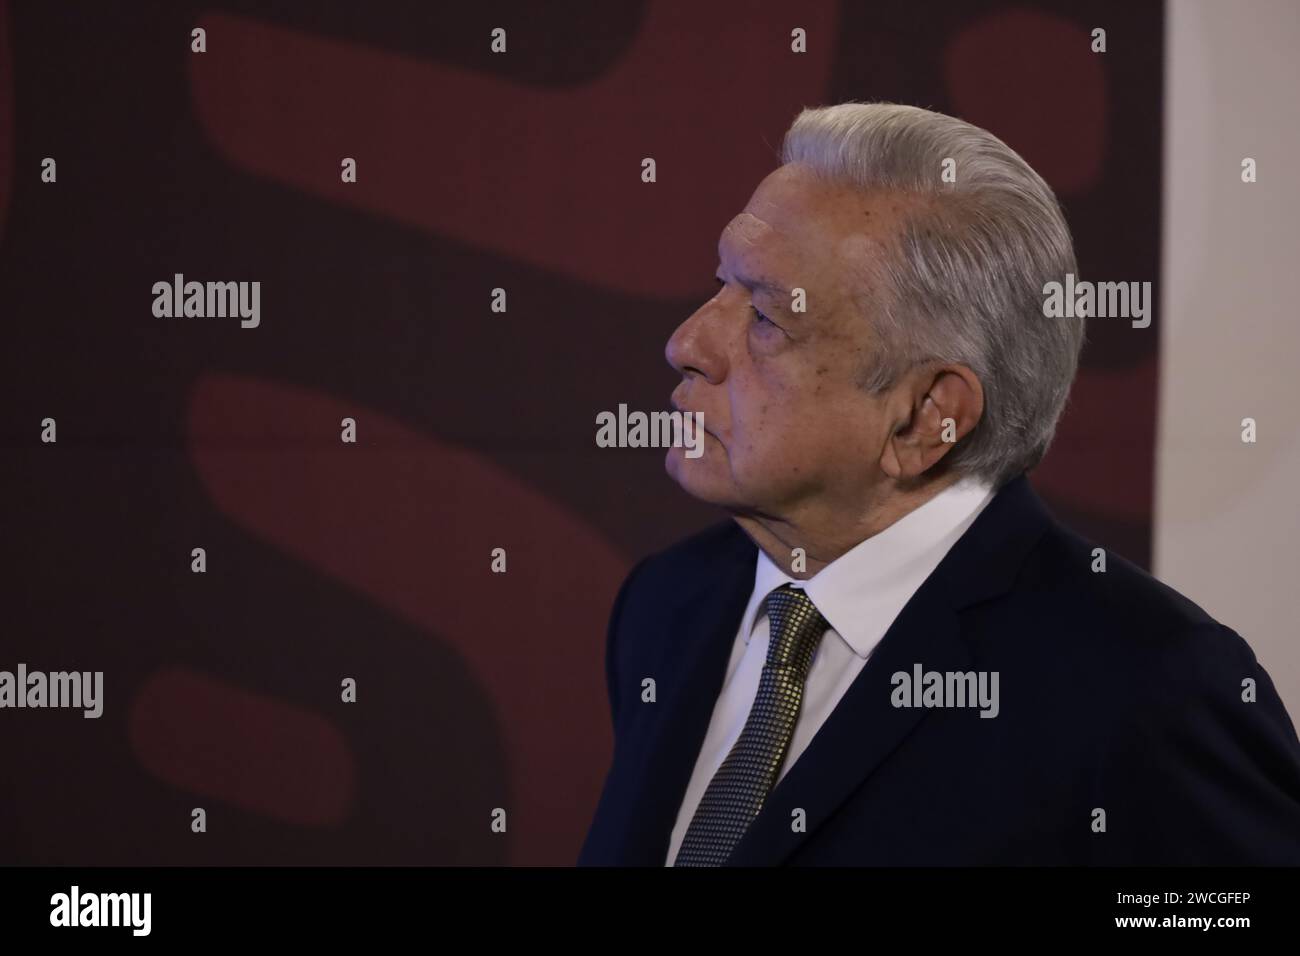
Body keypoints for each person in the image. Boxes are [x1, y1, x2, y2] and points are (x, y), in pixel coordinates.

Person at [576, 102, 1300, 866]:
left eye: (763, 315)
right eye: (721, 282)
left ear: (927, 419)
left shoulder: (1146, 687)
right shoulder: (667, 604)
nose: (687, 342)